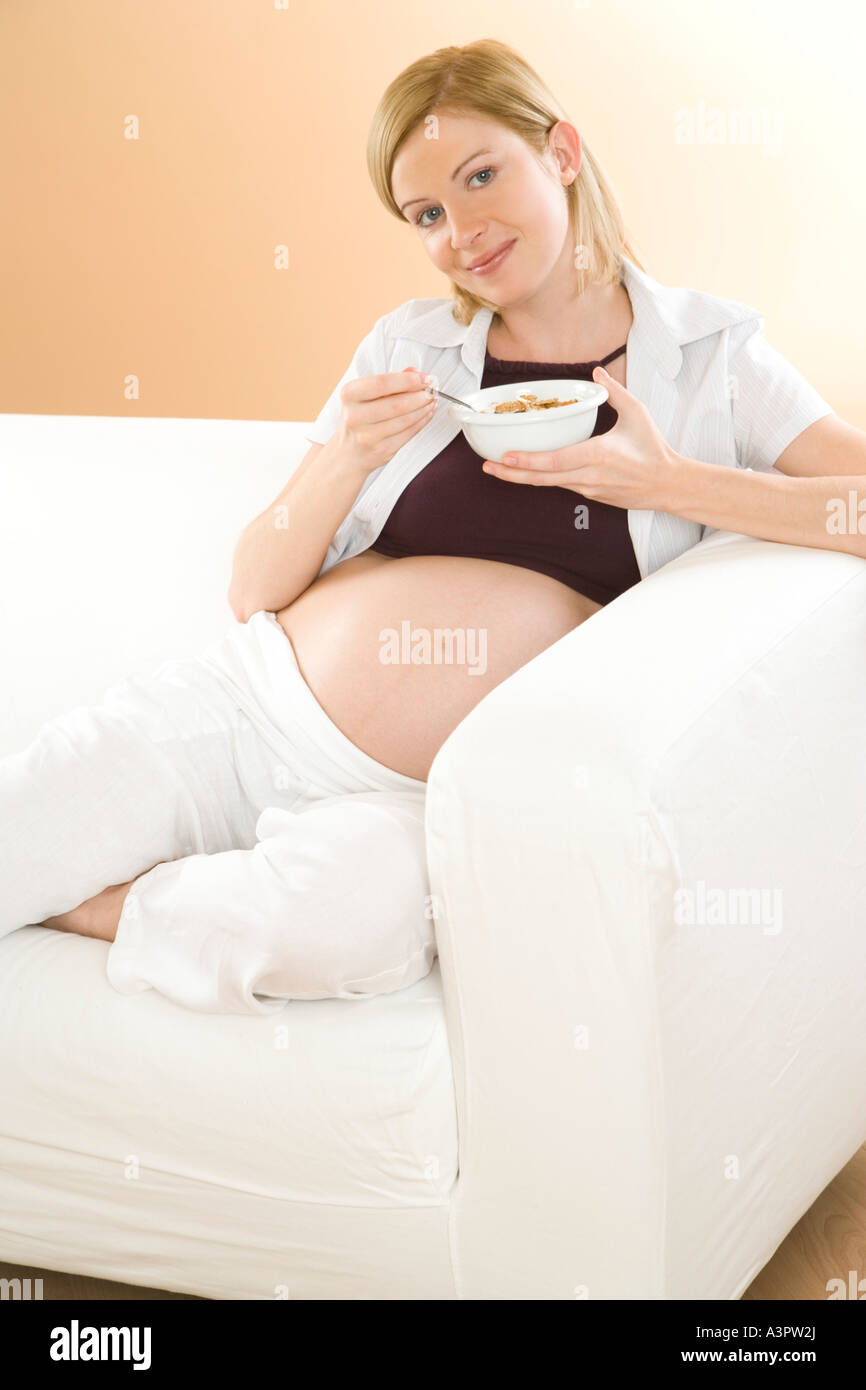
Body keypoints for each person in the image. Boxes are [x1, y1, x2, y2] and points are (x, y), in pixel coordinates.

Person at [0, 38, 839, 1014]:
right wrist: (345, 455)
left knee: (326, 933)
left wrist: (675, 483)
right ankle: (97, 884)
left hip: (407, 799)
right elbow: (250, 587)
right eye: (427, 214)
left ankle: (93, 907)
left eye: (481, 176)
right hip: (243, 710)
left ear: (561, 152)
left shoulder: (708, 358)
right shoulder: (408, 347)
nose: (461, 231)